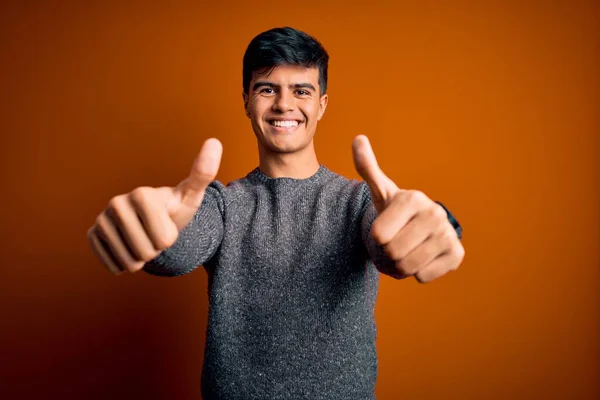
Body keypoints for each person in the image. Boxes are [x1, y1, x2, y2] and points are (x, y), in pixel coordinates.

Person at [87, 27, 464, 400]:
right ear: (247, 101)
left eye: (301, 91)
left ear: (322, 104)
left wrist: (437, 223)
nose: (284, 104)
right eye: (268, 89)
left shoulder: (359, 202)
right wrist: (153, 231)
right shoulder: (222, 204)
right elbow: (178, 249)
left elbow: (393, 242)